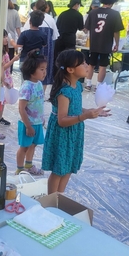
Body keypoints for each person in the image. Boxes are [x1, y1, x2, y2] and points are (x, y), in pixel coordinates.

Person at [42, 50, 108, 193]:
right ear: (70, 70)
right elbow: (62, 120)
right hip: (62, 134)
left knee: (69, 166)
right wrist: (84, 117)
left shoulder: (77, 86)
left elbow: (75, 108)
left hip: (74, 131)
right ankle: (52, 201)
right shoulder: (64, 92)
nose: (87, 65)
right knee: (59, 169)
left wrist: (91, 111)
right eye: (82, 63)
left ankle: (60, 196)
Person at [83, 0, 124, 92]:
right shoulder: (115, 14)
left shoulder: (93, 12)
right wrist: (117, 44)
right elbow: (116, 31)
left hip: (94, 43)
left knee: (91, 64)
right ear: (112, 2)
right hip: (106, 44)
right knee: (102, 66)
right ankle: (98, 86)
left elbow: (86, 29)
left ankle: (88, 84)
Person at [16, 49, 47, 175]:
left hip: (37, 122)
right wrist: (28, 126)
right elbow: (21, 108)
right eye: (41, 69)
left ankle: (28, 165)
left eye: (45, 69)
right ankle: (19, 169)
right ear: (31, 70)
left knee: (33, 145)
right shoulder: (27, 87)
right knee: (24, 147)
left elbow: (38, 103)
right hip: (27, 124)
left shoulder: (39, 84)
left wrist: (41, 119)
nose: (45, 72)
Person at [22, 0, 58, 88]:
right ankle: (41, 93)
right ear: (47, 8)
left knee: (31, 71)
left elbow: (24, 34)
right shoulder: (51, 19)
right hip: (46, 52)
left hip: (31, 52)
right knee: (44, 72)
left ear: (35, 7)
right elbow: (55, 37)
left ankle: (28, 92)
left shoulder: (31, 19)